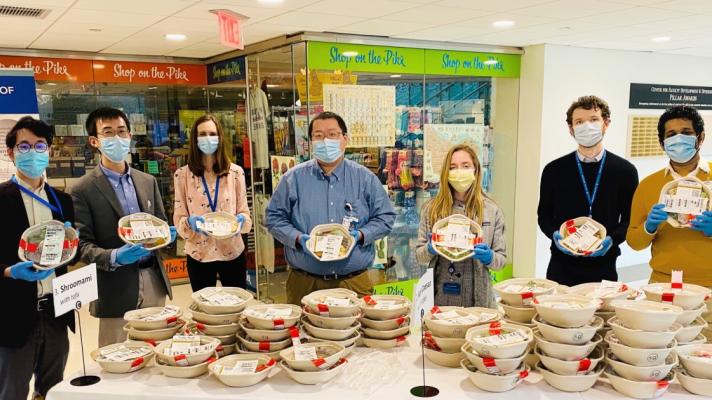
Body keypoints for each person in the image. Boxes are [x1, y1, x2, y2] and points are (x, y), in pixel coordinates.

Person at [70, 107, 176, 347]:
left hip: (153, 280)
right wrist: (115, 256)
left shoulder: (147, 181)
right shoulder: (82, 189)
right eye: (108, 133)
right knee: (117, 357)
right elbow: (81, 246)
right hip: (114, 287)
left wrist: (165, 235)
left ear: (129, 136)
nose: (116, 138)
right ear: (94, 141)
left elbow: (160, 221)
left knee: (158, 350)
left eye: (121, 131)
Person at [266, 111, 395, 305]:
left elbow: (385, 217)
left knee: (356, 333)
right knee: (304, 333)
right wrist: (299, 239)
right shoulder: (292, 179)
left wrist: (360, 235)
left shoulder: (365, 178)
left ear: (345, 139)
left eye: (333, 134)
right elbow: (274, 218)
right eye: (318, 136)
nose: (326, 140)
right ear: (311, 142)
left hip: (353, 282)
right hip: (304, 283)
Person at [0, 117, 77, 400]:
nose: (33, 152)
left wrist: (74, 244)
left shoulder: (62, 201)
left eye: (40, 145)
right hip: (13, 316)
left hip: (55, 312)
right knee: (12, 391)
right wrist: (9, 272)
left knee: (53, 389)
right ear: (11, 153)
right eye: (25, 146)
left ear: (49, 151)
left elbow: (69, 255)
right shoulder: (2, 199)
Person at [538, 95, 639, 286]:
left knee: (602, 314)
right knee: (558, 315)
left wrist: (612, 239)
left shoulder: (625, 171)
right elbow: (543, 215)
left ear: (606, 123)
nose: (587, 126)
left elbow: (629, 219)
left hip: (604, 265)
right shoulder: (554, 170)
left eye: (593, 120)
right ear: (571, 129)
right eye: (579, 122)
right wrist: (554, 234)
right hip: (561, 265)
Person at [627, 105, 712, 286]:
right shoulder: (648, 185)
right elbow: (634, 242)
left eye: (686, 132)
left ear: (701, 137)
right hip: (662, 284)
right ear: (662, 143)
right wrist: (648, 227)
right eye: (671, 134)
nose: (679, 138)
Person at [415, 144, 505, 308]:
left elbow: (501, 260)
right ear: (446, 173)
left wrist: (489, 257)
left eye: (465, 166)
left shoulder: (491, 210)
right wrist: (430, 248)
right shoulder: (432, 209)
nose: (459, 172)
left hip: (480, 302)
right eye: (453, 167)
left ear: (476, 170)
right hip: (441, 299)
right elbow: (419, 257)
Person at [173, 115, 252, 292]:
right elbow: (179, 219)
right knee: (205, 310)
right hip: (199, 254)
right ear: (194, 139)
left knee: (235, 307)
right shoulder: (182, 175)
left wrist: (240, 220)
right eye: (202, 134)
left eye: (212, 133)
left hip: (232, 252)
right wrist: (188, 223)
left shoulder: (235, 173)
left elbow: (246, 215)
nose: (207, 138)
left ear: (220, 137)